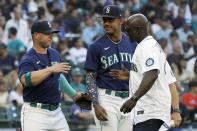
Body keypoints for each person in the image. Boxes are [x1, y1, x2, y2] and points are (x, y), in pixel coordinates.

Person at [116, 14, 181, 131]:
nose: (126, 32)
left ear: (137, 29)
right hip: (153, 113)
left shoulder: (147, 47)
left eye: (128, 29)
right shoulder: (154, 47)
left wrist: (133, 99)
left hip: (150, 113)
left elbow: (152, 74)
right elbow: (170, 83)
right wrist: (131, 76)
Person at [18, 20, 81, 131]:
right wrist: (50, 69)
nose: (51, 36)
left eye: (51, 33)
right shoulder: (28, 58)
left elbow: (58, 77)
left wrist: (73, 94)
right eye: (47, 34)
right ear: (36, 35)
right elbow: (26, 80)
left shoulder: (54, 53)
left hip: (57, 111)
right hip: (35, 113)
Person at [84, 5, 137, 131]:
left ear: (120, 21)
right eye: (104, 20)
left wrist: (130, 76)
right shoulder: (95, 46)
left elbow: (142, 74)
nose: (106, 23)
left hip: (129, 99)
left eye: (110, 20)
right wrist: (95, 104)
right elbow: (90, 78)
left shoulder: (133, 44)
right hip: (107, 98)